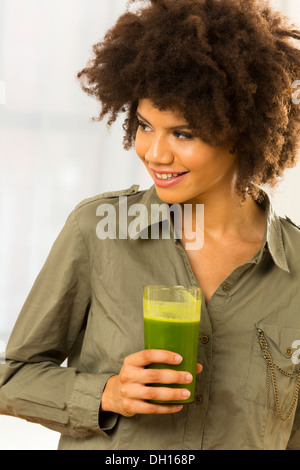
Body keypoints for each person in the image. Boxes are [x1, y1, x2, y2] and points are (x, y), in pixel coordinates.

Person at [1, 0, 300, 451]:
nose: (154, 154)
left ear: (242, 131)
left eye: (183, 133)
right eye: (144, 125)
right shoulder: (99, 231)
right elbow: (12, 378)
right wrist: (107, 394)